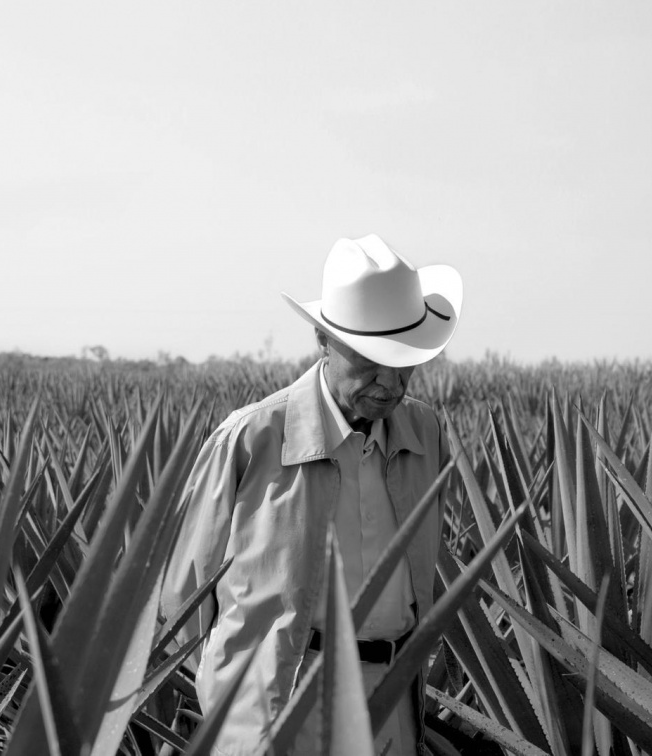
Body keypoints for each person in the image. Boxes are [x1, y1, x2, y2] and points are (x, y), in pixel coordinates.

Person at [161, 234, 463, 755]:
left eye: (405, 362)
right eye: (371, 359)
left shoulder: (426, 434)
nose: (391, 383)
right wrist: (238, 709)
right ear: (323, 340)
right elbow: (183, 603)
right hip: (274, 715)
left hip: (391, 707)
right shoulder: (250, 440)